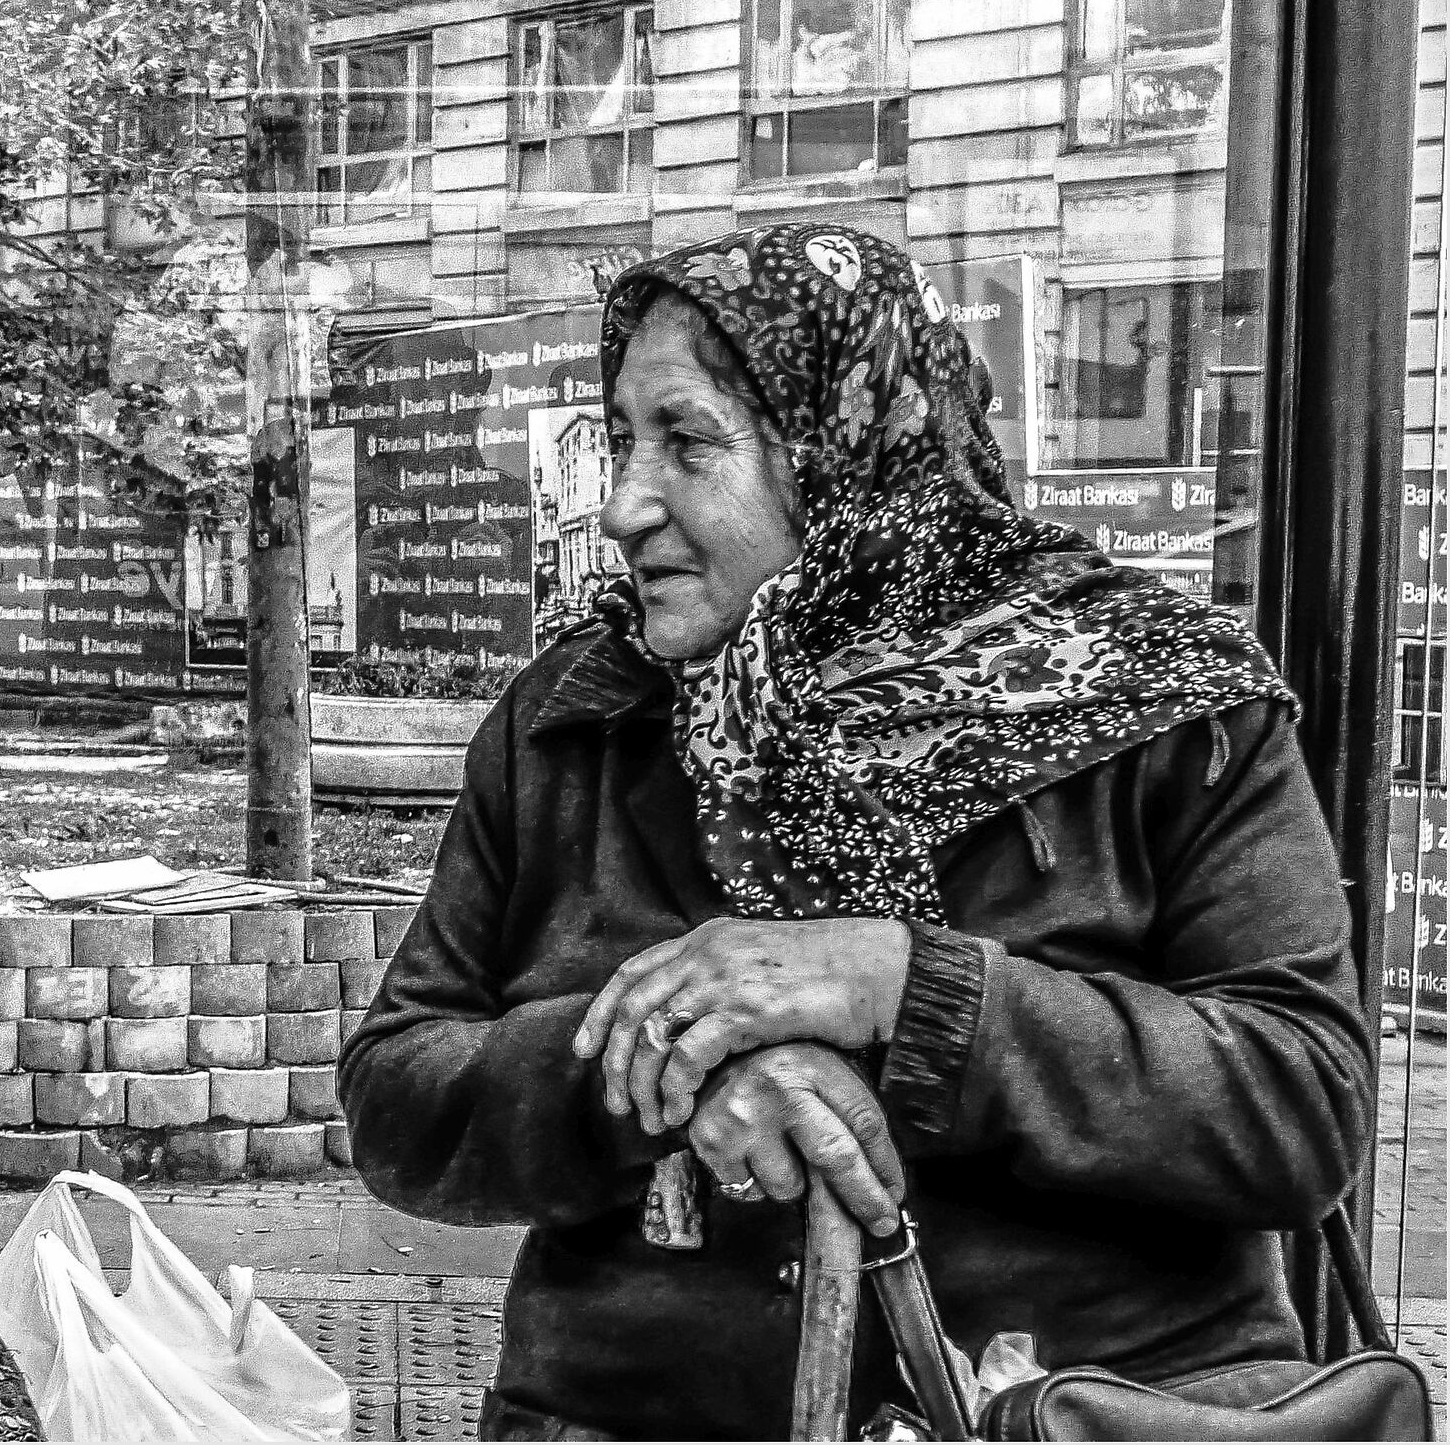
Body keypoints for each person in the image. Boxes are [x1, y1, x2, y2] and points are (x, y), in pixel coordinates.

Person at [338, 224, 1372, 1440]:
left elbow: (1302, 1100)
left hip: (1082, 1411)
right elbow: (400, 1096)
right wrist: (671, 1065)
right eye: (621, 438)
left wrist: (911, 992)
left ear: (846, 452)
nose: (622, 505)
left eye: (688, 443)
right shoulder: (575, 720)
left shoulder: (1157, 703)